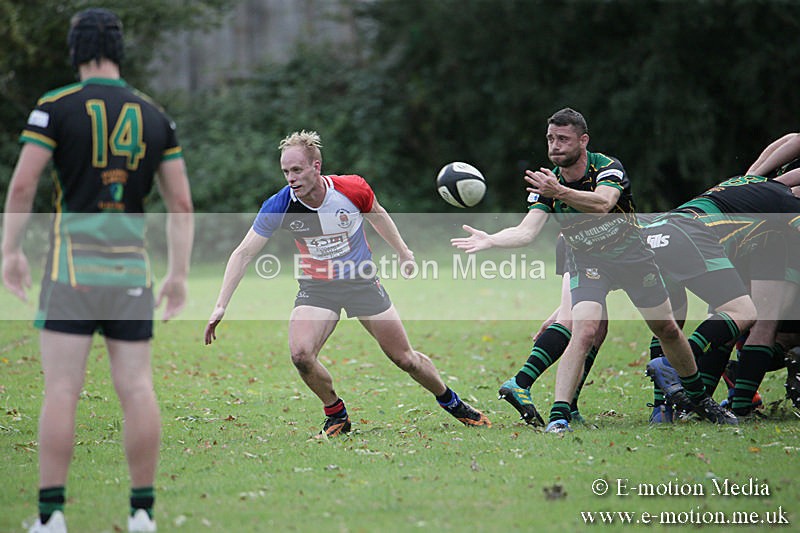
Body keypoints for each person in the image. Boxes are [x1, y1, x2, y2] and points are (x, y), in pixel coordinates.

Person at [2, 9, 193, 533]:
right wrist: (177, 275)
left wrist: (9, 252)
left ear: (75, 50)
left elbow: (22, 187)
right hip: (132, 272)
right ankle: (142, 514)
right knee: (136, 387)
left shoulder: (54, 108)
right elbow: (181, 204)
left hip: (71, 271)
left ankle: (51, 517)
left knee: (62, 390)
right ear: (119, 50)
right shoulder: (155, 115)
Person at [453, 107, 735, 433]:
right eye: (549, 139)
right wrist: (492, 240)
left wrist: (559, 192)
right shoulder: (547, 185)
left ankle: (699, 398)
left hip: (633, 258)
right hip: (588, 262)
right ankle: (560, 417)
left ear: (583, 140)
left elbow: (603, 204)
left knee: (667, 329)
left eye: (562, 138)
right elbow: (527, 231)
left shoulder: (607, 167)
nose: (554, 145)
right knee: (584, 329)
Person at [204, 130, 490, 438]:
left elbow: (378, 215)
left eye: (297, 170)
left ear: (316, 166)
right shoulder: (280, 205)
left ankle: (453, 402)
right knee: (301, 355)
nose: (291, 178)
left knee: (405, 358)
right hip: (317, 288)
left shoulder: (352, 189)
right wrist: (221, 304)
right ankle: (336, 413)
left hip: (361, 283)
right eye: (286, 171)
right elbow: (244, 252)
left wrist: (403, 252)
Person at [498, 235, 608, 426]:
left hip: (597, 240)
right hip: (585, 239)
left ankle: (570, 405)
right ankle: (521, 383)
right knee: (573, 321)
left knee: (598, 328)